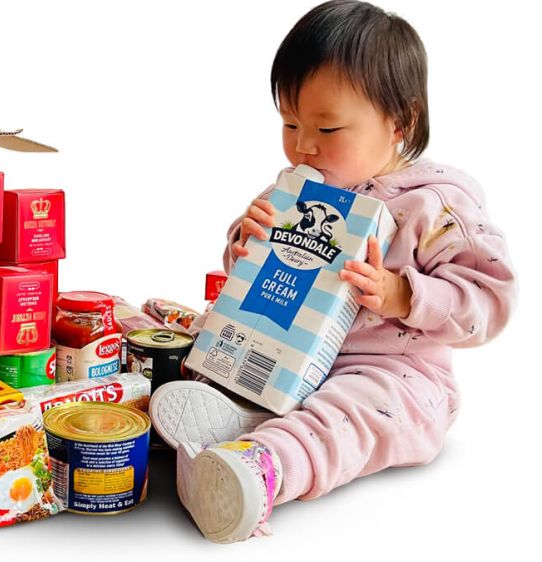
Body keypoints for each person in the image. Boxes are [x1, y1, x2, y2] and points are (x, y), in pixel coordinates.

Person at [148, 0, 517, 544]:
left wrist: (401, 295)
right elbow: (244, 276)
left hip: (390, 374)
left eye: (327, 127)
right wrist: (244, 242)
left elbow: (490, 302)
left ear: (401, 122)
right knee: (213, 348)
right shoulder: (296, 190)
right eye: (290, 122)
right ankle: (230, 419)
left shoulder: (434, 207)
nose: (303, 144)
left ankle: (263, 466)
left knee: (350, 414)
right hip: (283, 359)